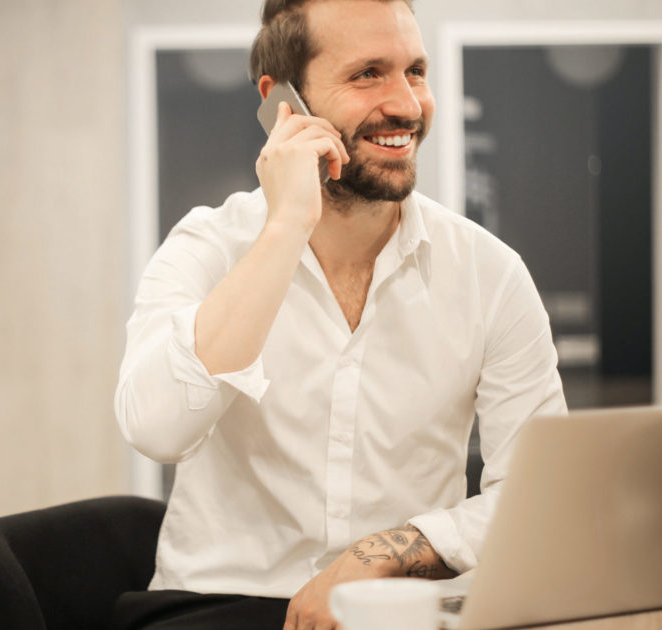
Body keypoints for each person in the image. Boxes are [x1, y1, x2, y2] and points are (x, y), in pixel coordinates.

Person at [114, 0, 566, 628]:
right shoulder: (208, 247)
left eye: (415, 70)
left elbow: (535, 501)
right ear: (283, 104)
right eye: (367, 74)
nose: (406, 104)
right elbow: (157, 431)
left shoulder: (490, 274)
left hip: (399, 605)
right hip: (216, 607)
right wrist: (286, 228)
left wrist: (380, 554)